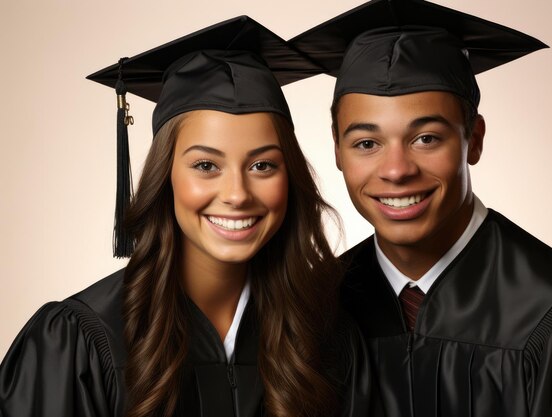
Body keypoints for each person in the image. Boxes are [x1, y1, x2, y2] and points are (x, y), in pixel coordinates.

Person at [0, 16, 373, 417]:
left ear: (291, 177)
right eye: (206, 166)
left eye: (262, 166)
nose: (236, 195)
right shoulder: (80, 342)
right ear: (166, 177)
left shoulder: (327, 338)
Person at [291, 0, 552, 416]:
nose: (396, 171)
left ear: (475, 139)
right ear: (337, 150)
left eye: (426, 138)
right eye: (367, 143)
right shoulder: (313, 308)